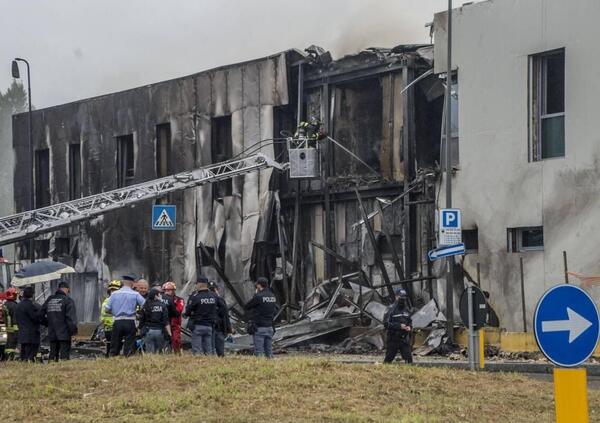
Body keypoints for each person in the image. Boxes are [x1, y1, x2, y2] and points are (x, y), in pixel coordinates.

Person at [105, 275, 145, 357]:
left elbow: (107, 309)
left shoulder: (114, 294)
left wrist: (115, 312)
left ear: (123, 283)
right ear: (132, 283)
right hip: (130, 321)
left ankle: (113, 358)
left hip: (117, 321)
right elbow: (145, 305)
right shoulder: (135, 294)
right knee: (129, 343)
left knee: (115, 343)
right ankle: (127, 357)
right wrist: (137, 314)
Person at [41, 281, 78, 361]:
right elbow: (70, 319)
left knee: (53, 355)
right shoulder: (68, 300)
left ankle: (51, 370)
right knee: (64, 356)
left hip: (52, 333)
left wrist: (48, 323)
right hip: (64, 334)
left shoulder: (49, 299)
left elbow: (40, 315)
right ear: (66, 289)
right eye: (68, 291)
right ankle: (62, 370)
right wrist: (73, 332)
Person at [245, 277, 278, 358]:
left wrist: (255, 295)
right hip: (270, 327)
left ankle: (260, 368)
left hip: (259, 328)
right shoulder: (272, 296)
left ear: (259, 285)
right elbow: (275, 310)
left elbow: (247, 306)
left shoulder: (258, 296)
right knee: (269, 352)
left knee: (259, 352)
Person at [184, 276, 217, 355]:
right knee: (209, 350)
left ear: (199, 284)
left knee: (197, 350)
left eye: (196, 284)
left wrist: (187, 314)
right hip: (209, 326)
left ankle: (199, 364)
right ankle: (209, 364)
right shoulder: (213, 296)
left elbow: (188, 310)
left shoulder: (196, 297)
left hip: (198, 325)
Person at [383, 288, 413, 364]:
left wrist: (409, 327)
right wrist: (399, 326)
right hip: (393, 338)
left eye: (404, 297)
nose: (403, 299)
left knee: (409, 360)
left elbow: (410, 321)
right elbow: (386, 324)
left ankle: (409, 374)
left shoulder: (406, 309)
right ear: (396, 297)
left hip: (404, 338)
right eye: (401, 297)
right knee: (388, 360)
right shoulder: (390, 309)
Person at [139, 288, 171, 354]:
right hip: (160, 331)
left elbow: (141, 321)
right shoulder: (162, 305)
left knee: (149, 353)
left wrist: (140, 331)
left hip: (148, 331)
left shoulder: (145, 305)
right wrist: (169, 333)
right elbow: (166, 321)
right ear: (156, 296)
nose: (160, 296)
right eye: (159, 294)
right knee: (160, 353)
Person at [15, 286, 41, 362]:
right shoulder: (30, 305)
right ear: (32, 295)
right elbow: (35, 318)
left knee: (23, 355)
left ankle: (24, 366)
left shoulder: (18, 305)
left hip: (22, 334)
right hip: (32, 335)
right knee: (31, 355)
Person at [209, 281, 232, 357]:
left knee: (212, 351)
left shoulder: (220, 300)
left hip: (216, 328)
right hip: (217, 328)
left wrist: (229, 330)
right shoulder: (220, 300)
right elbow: (226, 316)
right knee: (219, 352)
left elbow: (225, 315)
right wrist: (229, 330)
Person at [162, 281, 184, 354]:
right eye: (166, 290)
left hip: (175, 325)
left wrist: (171, 305)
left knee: (176, 340)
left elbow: (178, 310)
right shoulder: (161, 299)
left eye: (169, 290)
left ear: (174, 290)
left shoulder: (179, 299)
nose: (167, 292)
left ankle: (177, 355)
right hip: (163, 324)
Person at [100, 280, 121, 357]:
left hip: (117, 328)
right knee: (112, 348)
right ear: (109, 291)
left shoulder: (120, 301)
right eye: (112, 290)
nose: (114, 292)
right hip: (110, 328)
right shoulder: (107, 302)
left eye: (116, 290)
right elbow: (105, 316)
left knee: (117, 347)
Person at [2, 287, 19, 360]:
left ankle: (6, 358)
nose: (16, 296)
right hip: (13, 328)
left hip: (7, 328)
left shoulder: (5, 304)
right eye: (15, 294)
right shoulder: (14, 305)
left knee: (8, 344)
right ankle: (11, 358)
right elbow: (16, 318)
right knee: (12, 344)